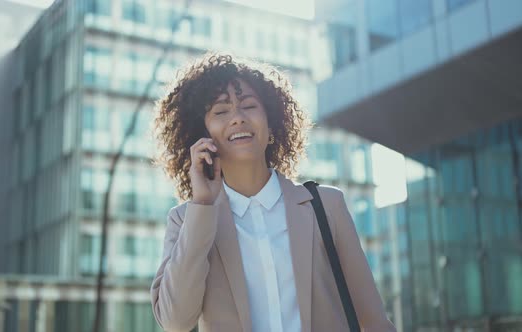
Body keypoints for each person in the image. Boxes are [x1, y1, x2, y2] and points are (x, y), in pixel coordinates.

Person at [150, 54, 396, 332]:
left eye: (249, 106)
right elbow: (175, 321)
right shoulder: (185, 221)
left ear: (272, 127)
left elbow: (374, 321)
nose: (237, 118)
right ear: (200, 135)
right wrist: (203, 204)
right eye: (221, 112)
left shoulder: (326, 207)